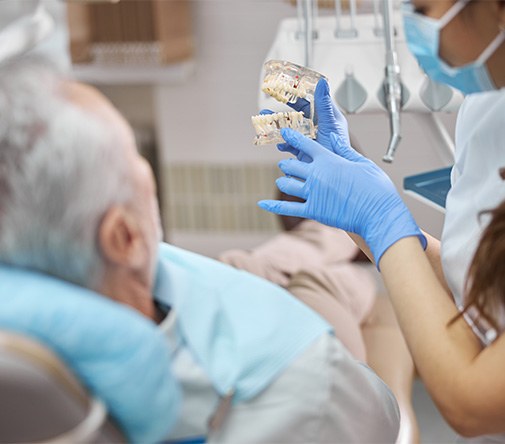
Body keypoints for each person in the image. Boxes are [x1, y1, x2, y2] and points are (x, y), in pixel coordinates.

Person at [0, 56, 400, 443]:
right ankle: (338, 240)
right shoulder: (306, 383)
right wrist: (377, 222)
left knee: (248, 264)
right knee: (322, 281)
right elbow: (385, 416)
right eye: (135, 159)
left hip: (180, 285)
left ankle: (323, 234)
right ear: (125, 238)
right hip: (308, 365)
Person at [259, 0, 505, 440]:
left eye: (422, 8)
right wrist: (363, 218)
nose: (411, 25)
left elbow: (473, 401)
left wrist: (381, 219)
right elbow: (480, 284)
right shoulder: (488, 106)